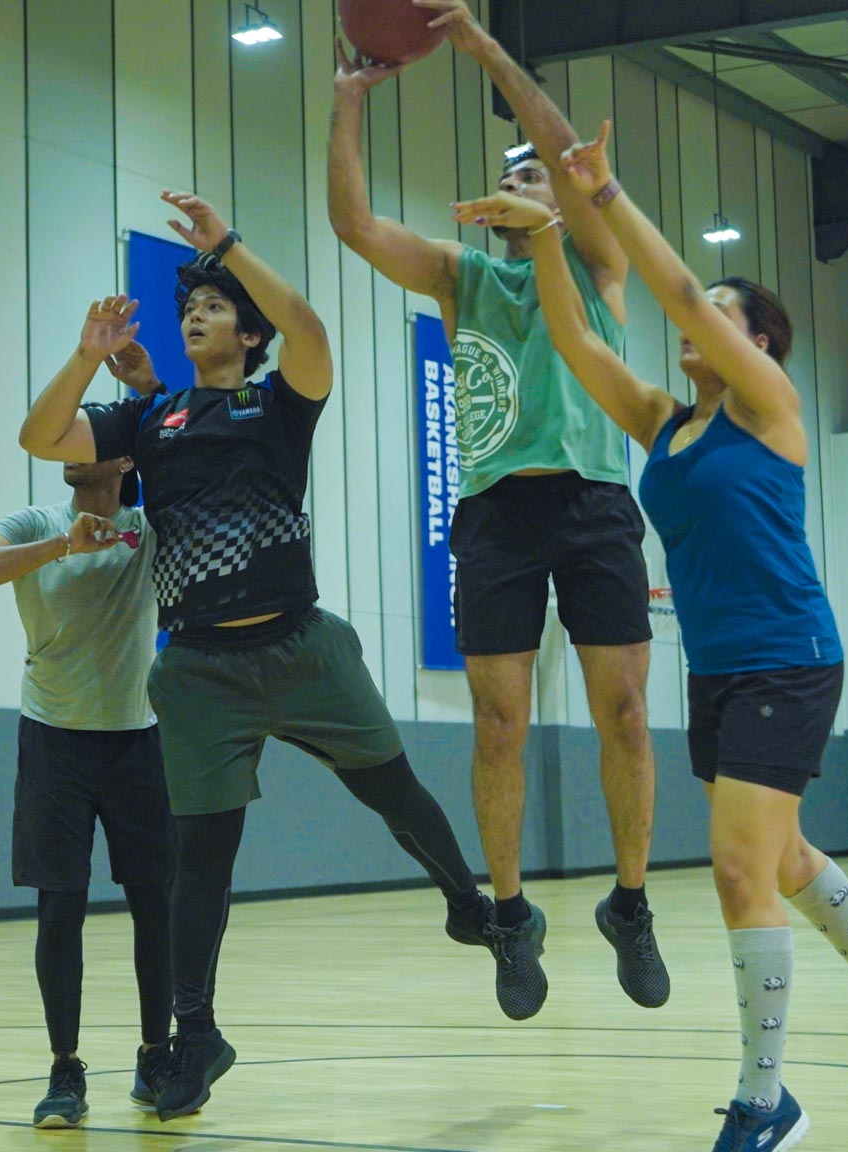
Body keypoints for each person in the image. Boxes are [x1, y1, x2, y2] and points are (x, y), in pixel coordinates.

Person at [453, 123, 848, 1152]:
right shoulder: (665, 424)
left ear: (757, 344)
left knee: (737, 870)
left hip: (789, 657)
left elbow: (674, 292)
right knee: (788, 857)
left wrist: (599, 193)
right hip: (718, 672)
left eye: (727, 315)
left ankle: (765, 1103)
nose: (700, 321)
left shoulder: (769, 407)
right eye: (705, 311)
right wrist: (548, 234)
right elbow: (578, 342)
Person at [17, 190, 495, 1121]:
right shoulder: (148, 422)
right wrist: (84, 360)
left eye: (216, 305)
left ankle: (475, 907)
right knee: (203, 857)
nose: (197, 311)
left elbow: (310, 323)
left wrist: (230, 245)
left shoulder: (279, 405)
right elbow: (42, 437)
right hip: (197, 668)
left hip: (301, 644)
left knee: (392, 791)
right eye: (190, 304)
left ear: (249, 331)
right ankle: (196, 1037)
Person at [327, 0, 665, 1021]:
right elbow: (352, 224)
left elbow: (571, 157)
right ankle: (510, 916)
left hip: (595, 501)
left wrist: (480, 48)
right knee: (496, 727)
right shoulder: (458, 275)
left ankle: (631, 905)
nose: (524, 183)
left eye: (537, 178)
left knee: (624, 713)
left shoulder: (597, 267)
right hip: (494, 517)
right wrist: (346, 103)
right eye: (510, 176)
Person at [0, 440, 174, 1129]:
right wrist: (59, 547)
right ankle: (65, 1068)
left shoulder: (149, 530)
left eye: (94, 443)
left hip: (139, 737)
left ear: (125, 463)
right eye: (69, 443)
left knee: (155, 906)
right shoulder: (32, 524)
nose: (74, 451)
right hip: (53, 739)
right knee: (59, 906)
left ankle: (155, 1054)